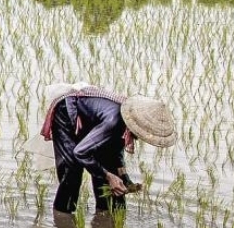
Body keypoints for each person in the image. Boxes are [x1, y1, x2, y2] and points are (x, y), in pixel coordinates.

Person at [40, 84, 177, 215]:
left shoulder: (124, 124)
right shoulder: (114, 121)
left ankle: (105, 214)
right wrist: (109, 176)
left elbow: (115, 151)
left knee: (109, 169)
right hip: (67, 111)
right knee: (72, 173)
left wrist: (124, 177)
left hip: (94, 120)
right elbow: (80, 152)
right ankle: (63, 219)